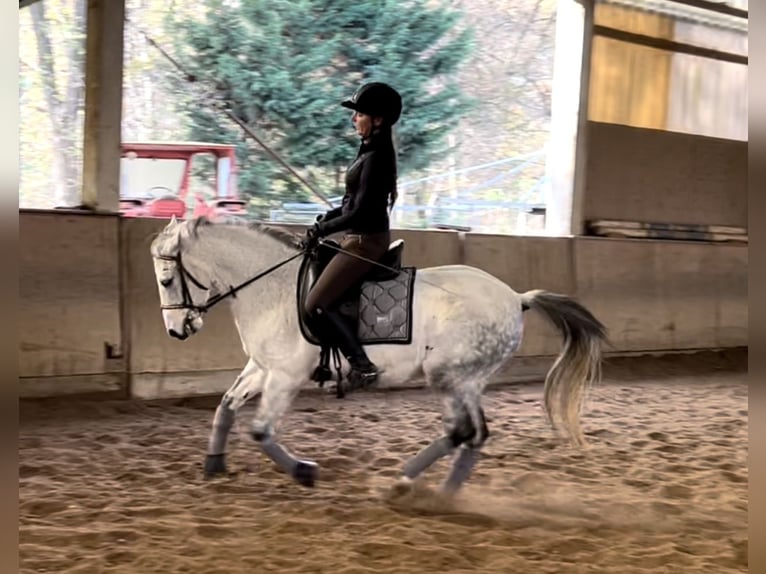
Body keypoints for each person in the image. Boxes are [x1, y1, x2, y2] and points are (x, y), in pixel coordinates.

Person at [302, 81, 402, 389]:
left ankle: (362, 365)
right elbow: (350, 205)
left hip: (366, 242)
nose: (353, 119)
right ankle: (325, 358)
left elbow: (360, 215)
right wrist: (326, 219)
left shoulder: (376, 159)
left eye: (359, 114)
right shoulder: (368, 152)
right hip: (354, 238)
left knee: (315, 305)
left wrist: (324, 228)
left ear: (378, 120)